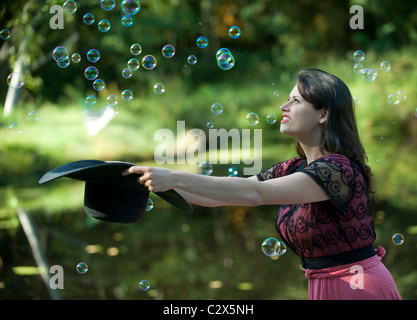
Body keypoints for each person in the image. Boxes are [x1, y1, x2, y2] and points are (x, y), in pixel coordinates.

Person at [122, 68, 401, 300]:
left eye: (296, 101)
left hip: (359, 286)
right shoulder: (295, 168)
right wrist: (143, 180)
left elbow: (255, 193)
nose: (284, 106)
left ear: (323, 114)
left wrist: (174, 176)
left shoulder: (338, 170)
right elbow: (221, 195)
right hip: (324, 285)